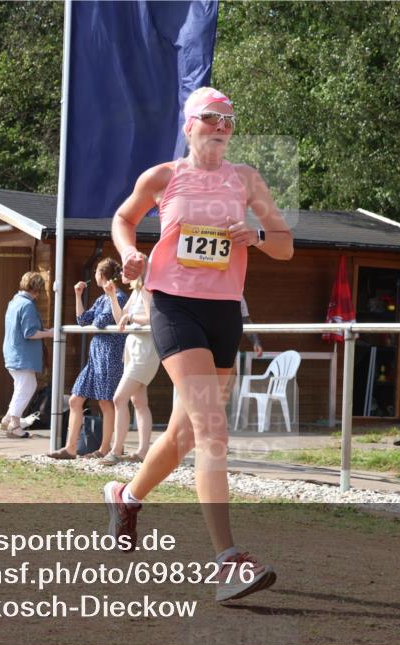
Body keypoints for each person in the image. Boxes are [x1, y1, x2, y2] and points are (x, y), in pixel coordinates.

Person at [104, 86, 294, 602]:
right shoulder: (163, 177)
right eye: (211, 118)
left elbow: (285, 245)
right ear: (189, 125)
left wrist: (253, 237)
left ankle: (127, 496)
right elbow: (123, 218)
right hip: (173, 305)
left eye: (229, 121)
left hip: (224, 311)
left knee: (187, 435)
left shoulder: (247, 180)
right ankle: (228, 561)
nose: (221, 127)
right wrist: (130, 253)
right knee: (214, 431)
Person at [46, 258, 128, 459]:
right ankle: (70, 448)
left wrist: (101, 312)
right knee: (75, 399)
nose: (94, 276)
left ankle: (104, 449)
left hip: (110, 354)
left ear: (102, 276)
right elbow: (83, 320)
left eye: (96, 273)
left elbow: (101, 321)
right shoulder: (102, 299)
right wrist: (78, 295)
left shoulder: (119, 297)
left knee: (105, 402)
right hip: (95, 355)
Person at [101, 268, 159, 466]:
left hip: (145, 350)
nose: (121, 273)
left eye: (125, 269)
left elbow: (152, 319)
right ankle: (142, 452)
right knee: (139, 402)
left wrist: (132, 318)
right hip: (133, 348)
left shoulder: (146, 290)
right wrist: (112, 297)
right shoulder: (135, 292)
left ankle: (116, 450)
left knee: (119, 398)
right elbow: (120, 320)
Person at [0, 271, 54, 439]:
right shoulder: (27, 305)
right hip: (22, 355)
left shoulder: (14, 302)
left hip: (12, 352)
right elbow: (29, 333)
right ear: (37, 288)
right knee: (28, 387)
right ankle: (14, 424)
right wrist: (50, 334)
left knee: (21, 387)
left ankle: (8, 419)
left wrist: (44, 331)